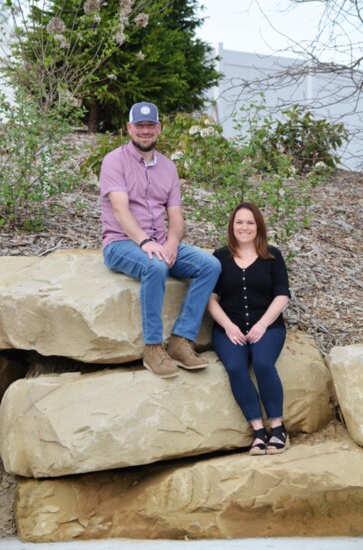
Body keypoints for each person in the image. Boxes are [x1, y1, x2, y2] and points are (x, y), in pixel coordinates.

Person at [100, 101, 221, 379]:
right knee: (155, 266)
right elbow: (120, 209)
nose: (145, 131)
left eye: (150, 125)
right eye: (139, 126)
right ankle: (153, 347)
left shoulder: (168, 167)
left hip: (158, 242)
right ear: (129, 128)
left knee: (210, 265)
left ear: (159, 128)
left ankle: (180, 340)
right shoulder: (113, 161)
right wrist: (145, 243)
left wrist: (172, 243)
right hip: (121, 243)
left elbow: (176, 217)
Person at [207, 202, 290, 455]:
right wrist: (228, 326)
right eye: (239, 222)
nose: (244, 227)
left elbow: (282, 296)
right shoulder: (219, 257)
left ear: (258, 226)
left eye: (250, 222)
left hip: (268, 327)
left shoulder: (272, 256)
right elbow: (209, 298)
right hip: (228, 328)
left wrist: (263, 324)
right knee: (235, 367)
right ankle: (258, 431)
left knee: (263, 363)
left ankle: (278, 428)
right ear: (232, 226)